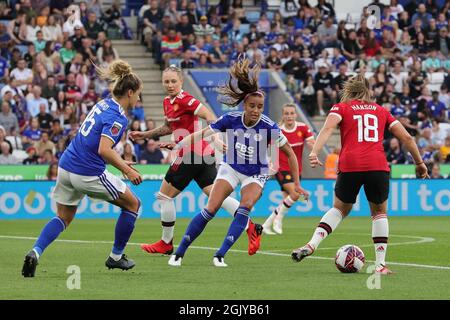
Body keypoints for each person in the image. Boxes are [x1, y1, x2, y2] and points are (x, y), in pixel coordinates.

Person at [166, 58, 306, 267]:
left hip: (255, 173)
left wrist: (296, 184)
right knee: (211, 208)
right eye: (252, 106)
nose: (256, 110)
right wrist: (177, 145)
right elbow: (202, 133)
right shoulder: (230, 119)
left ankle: (220, 255)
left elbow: (291, 154)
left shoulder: (269, 127)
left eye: (260, 107)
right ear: (244, 105)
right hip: (231, 168)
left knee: (245, 206)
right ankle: (179, 253)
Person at [291, 75, 429, 274]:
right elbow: (407, 137)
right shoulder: (381, 111)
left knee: (339, 209)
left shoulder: (341, 107)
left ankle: (312, 244)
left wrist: (314, 151)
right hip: (377, 165)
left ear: (349, 90)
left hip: (350, 164)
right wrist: (420, 163)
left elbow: (328, 127)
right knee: (379, 213)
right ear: (369, 91)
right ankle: (380, 265)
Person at [22, 60, 144, 278]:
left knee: (64, 217)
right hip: (87, 173)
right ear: (129, 92)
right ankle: (116, 257)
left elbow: (97, 144)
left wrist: (123, 164)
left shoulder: (103, 103)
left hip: (67, 166)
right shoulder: (118, 117)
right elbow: (104, 149)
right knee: (133, 204)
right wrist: (128, 170)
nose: (138, 99)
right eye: (137, 95)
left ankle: (35, 252)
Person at [129, 65, 263, 256]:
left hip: (191, 155)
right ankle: (251, 227)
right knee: (217, 198)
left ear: (181, 81)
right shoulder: (168, 101)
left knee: (164, 196)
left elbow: (209, 116)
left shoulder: (186, 100)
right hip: (203, 156)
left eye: (173, 81)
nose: (170, 85)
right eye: (166, 81)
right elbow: (169, 127)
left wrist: (216, 138)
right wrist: (145, 134)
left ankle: (166, 243)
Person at [262, 104, 314, 235]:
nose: (289, 116)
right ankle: (278, 220)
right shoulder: (277, 130)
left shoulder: (303, 127)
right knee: (296, 194)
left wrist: (314, 152)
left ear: (296, 115)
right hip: (281, 168)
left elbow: (311, 143)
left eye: (292, 113)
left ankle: (265, 225)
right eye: (286, 113)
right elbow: (267, 147)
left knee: (286, 201)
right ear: (283, 116)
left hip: (296, 171)